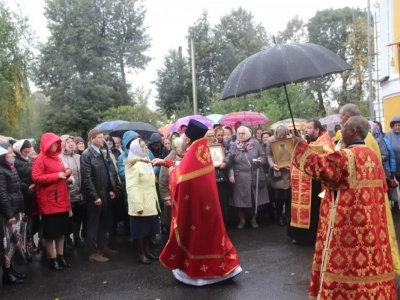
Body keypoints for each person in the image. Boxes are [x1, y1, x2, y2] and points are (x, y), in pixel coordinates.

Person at [291, 116, 398, 299]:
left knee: (349, 268)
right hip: (372, 227)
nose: (340, 133)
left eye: (344, 128)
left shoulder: (347, 156)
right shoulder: (372, 155)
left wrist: (300, 145)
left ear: (352, 131)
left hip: (349, 228)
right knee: (370, 266)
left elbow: (319, 167)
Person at [159, 119, 242, 286]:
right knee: (212, 238)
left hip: (197, 209)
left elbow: (180, 177)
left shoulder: (193, 152)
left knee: (198, 240)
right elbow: (185, 167)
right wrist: (167, 162)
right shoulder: (201, 150)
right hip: (207, 207)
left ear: (188, 140)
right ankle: (224, 269)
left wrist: (170, 170)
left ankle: (200, 277)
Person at [289, 120, 334, 245]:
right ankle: (298, 235)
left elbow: (329, 158)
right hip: (302, 181)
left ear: (317, 130)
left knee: (315, 208)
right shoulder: (305, 140)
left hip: (317, 184)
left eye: (309, 128)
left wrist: (306, 148)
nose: (306, 130)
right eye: (306, 128)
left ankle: (315, 236)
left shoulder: (325, 141)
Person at [32, 133, 72, 270]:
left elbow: (61, 174)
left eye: (57, 143)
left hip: (62, 200)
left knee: (61, 232)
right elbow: (36, 178)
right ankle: (51, 258)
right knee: (49, 233)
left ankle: (60, 256)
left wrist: (67, 172)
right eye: (54, 143)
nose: (56, 146)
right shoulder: (39, 159)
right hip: (49, 202)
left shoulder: (57, 159)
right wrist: (56, 175)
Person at [80, 129, 119, 263]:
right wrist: (95, 196)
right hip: (94, 196)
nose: (103, 139)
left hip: (104, 193)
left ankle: (103, 247)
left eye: (103, 137)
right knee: (93, 224)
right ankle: (92, 252)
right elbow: (87, 178)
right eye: (99, 137)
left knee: (103, 222)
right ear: (92, 139)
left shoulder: (102, 152)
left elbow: (106, 172)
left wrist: (110, 189)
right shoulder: (86, 154)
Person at [225, 126, 269, 229]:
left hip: (253, 174)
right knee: (240, 200)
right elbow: (229, 162)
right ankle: (242, 220)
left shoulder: (255, 143)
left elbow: (263, 156)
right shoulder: (234, 146)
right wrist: (231, 175)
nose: (240, 135)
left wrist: (260, 160)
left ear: (248, 134)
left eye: (243, 133)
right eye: (239, 133)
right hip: (239, 176)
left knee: (254, 199)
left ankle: (253, 219)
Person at [125, 139, 160, 264]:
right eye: (143, 147)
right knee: (140, 231)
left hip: (150, 201)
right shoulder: (133, 164)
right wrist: (137, 205)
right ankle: (140, 253)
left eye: (145, 146)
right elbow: (131, 187)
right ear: (136, 149)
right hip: (140, 203)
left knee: (148, 230)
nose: (146, 148)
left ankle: (147, 251)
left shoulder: (146, 162)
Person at [0, 142, 26, 284]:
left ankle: (11, 269)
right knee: (6, 244)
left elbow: (17, 186)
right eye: (9, 153)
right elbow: (2, 194)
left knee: (13, 243)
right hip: (7, 214)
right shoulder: (1, 170)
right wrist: (9, 214)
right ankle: (7, 273)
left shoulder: (10, 168)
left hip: (15, 209)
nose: (12, 155)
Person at [59, 135, 86, 249]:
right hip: (67, 193)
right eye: (68, 142)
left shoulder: (78, 157)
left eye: (72, 141)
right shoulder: (60, 158)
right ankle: (67, 239)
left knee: (78, 217)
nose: (71, 144)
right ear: (63, 144)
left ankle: (76, 237)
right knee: (67, 218)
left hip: (79, 193)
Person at [13, 140, 38, 256]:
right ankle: (22, 247)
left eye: (28, 152)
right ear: (19, 150)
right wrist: (27, 187)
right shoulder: (15, 162)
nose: (26, 154)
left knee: (32, 220)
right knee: (23, 221)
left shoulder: (30, 160)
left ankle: (30, 240)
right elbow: (15, 179)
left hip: (32, 194)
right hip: (21, 195)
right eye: (24, 152)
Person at [266, 124, 291, 226]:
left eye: (283, 135)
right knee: (278, 197)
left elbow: (293, 152)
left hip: (289, 172)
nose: (281, 137)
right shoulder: (271, 140)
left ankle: (288, 216)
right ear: (276, 133)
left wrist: (292, 163)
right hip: (277, 172)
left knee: (289, 197)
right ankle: (280, 215)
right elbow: (268, 154)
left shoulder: (290, 139)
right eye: (279, 135)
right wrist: (273, 165)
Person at [158, 137, 185, 233]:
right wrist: (165, 197)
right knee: (171, 221)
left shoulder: (186, 157)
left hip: (183, 196)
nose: (185, 151)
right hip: (172, 195)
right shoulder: (168, 159)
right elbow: (162, 180)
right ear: (177, 149)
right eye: (182, 149)